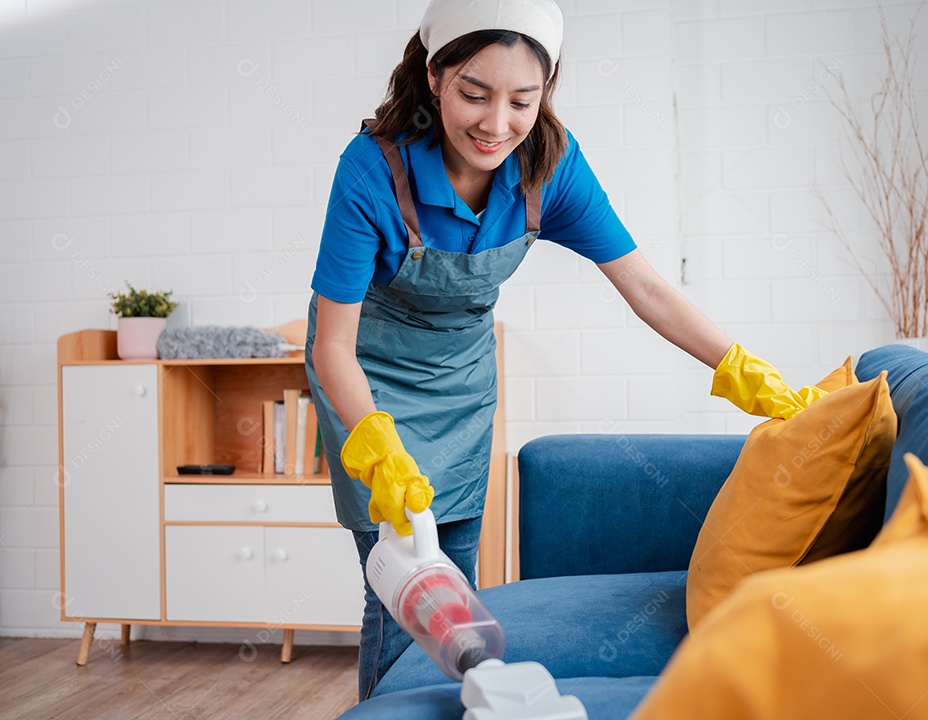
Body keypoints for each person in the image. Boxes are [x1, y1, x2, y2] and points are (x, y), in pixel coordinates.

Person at [304, 0, 822, 701]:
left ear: (546, 91)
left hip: (460, 376)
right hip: (368, 380)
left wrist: (747, 374)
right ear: (434, 76)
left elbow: (645, 288)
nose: (497, 125)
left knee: (453, 583)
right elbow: (332, 341)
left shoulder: (549, 165)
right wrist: (373, 440)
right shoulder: (371, 169)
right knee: (403, 584)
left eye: (522, 100)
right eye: (474, 95)